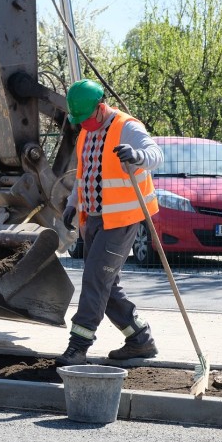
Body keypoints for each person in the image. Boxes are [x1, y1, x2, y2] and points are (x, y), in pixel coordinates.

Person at [56, 79, 164, 366]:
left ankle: (78, 346)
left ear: (101, 107)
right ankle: (140, 340)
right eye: (78, 121)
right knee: (106, 284)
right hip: (93, 219)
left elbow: (156, 155)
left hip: (122, 220)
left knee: (94, 277)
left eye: (86, 118)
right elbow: (84, 175)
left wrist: (138, 155)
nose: (83, 125)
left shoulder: (127, 127)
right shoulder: (84, 135)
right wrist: (72, 205)